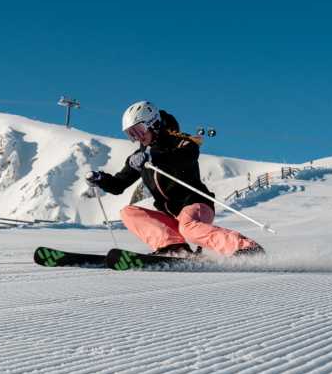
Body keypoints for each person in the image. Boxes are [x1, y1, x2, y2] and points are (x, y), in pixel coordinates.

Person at [86, 101, 264, 258]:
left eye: (139, 130)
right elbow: (118, 185)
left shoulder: (181, 142)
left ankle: (245, 247)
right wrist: (101, 179)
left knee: (188, 227)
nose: (138, 137)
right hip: (171, 215)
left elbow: (187, 155)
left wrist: (154, 156)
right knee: (128, 212)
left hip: (196, 205)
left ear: (154, 124)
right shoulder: (140, 157)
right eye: (132, 134)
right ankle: (174, 247)